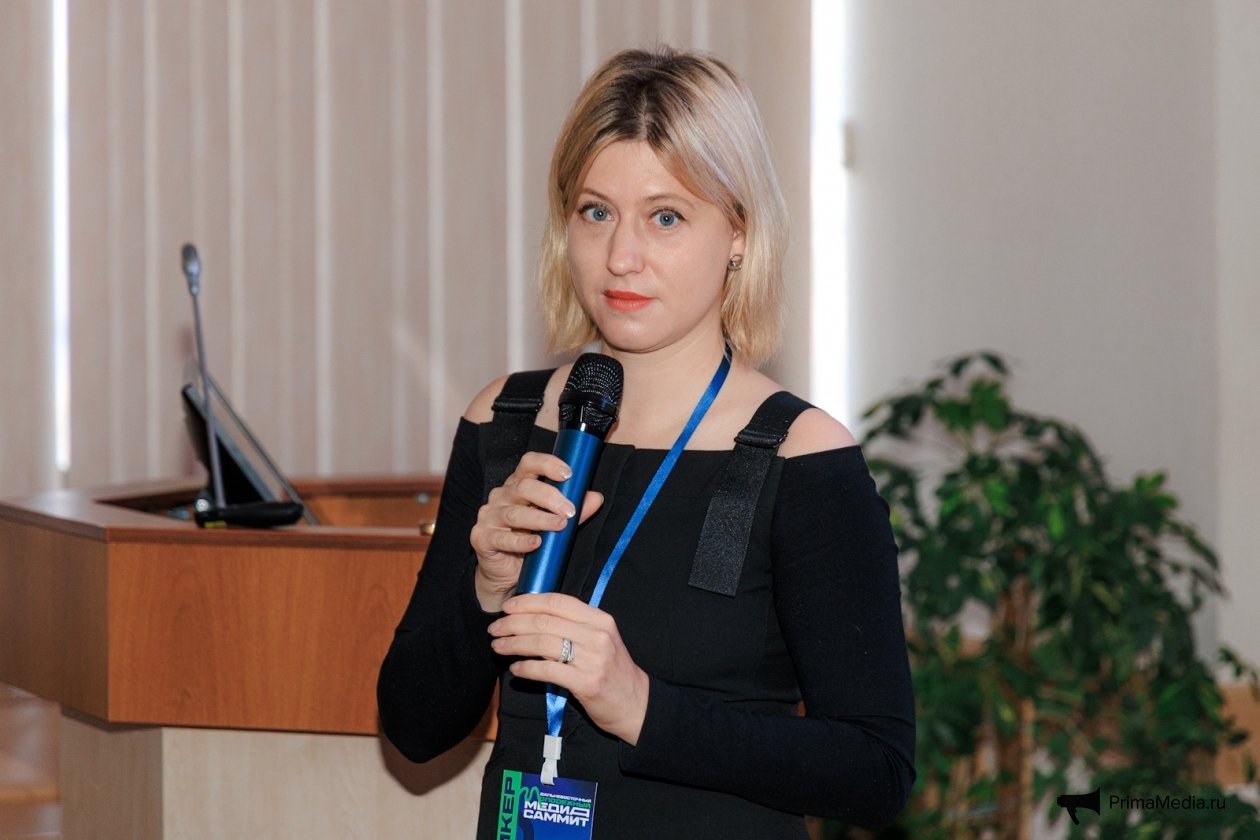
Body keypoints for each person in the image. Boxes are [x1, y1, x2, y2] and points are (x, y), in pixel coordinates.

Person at [376, 46, 915, 838]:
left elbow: (875, 774)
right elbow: (413, 729)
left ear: (738, 232)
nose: (621, 257)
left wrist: (642, 708)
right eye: (597, 213)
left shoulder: (799, 456)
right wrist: (484, 589)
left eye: (666, 218)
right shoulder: (506, 421)